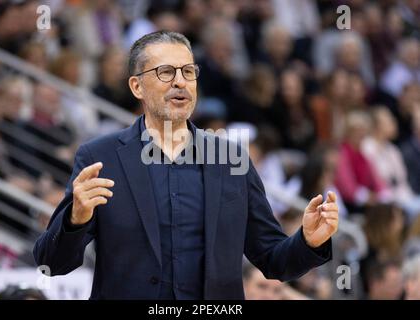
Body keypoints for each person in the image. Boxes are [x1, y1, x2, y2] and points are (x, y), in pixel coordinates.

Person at [33, 31, 339, 300]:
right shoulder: (101, 157)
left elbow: (273, 260)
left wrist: (308, 241)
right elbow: (51, 262)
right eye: (166, 72)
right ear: (137, 87)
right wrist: (75, 219)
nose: (180, 81)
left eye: (188, 72)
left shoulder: (231, 160)